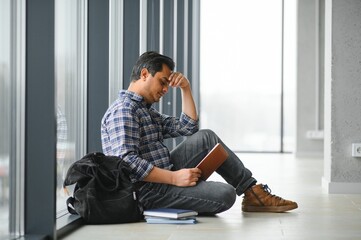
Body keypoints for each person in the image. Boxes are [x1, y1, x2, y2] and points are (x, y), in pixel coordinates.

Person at [101, 51, 298, 214]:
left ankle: (253, 193)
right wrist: (175, 178)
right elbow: (127, 162)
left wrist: (186, 89)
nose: (165, 89)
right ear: (144, 74)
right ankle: (195, 189)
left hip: (166, 173)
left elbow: (188, 127)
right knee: (226, 194)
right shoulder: (124, 110)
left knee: (207, 137)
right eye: (162, 82)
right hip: (147, 190)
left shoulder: (144, 110)